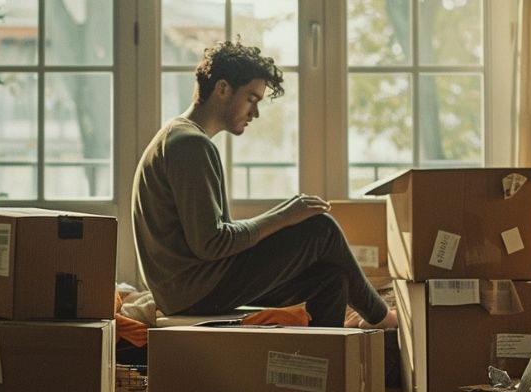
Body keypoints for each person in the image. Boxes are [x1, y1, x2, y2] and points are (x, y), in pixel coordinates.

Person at [130, 40, 397, 329]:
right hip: (194, 290)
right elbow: (211, 243)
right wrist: (283, 217)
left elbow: (211, 240)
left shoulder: (179, 138)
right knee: (321, 228)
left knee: (331, 280)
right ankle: (382, 318)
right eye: (252, 99)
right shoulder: (190, 144)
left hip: (190, 288)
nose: (255, 113)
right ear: (222, 89)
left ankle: (327, 363)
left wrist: (283, 216)